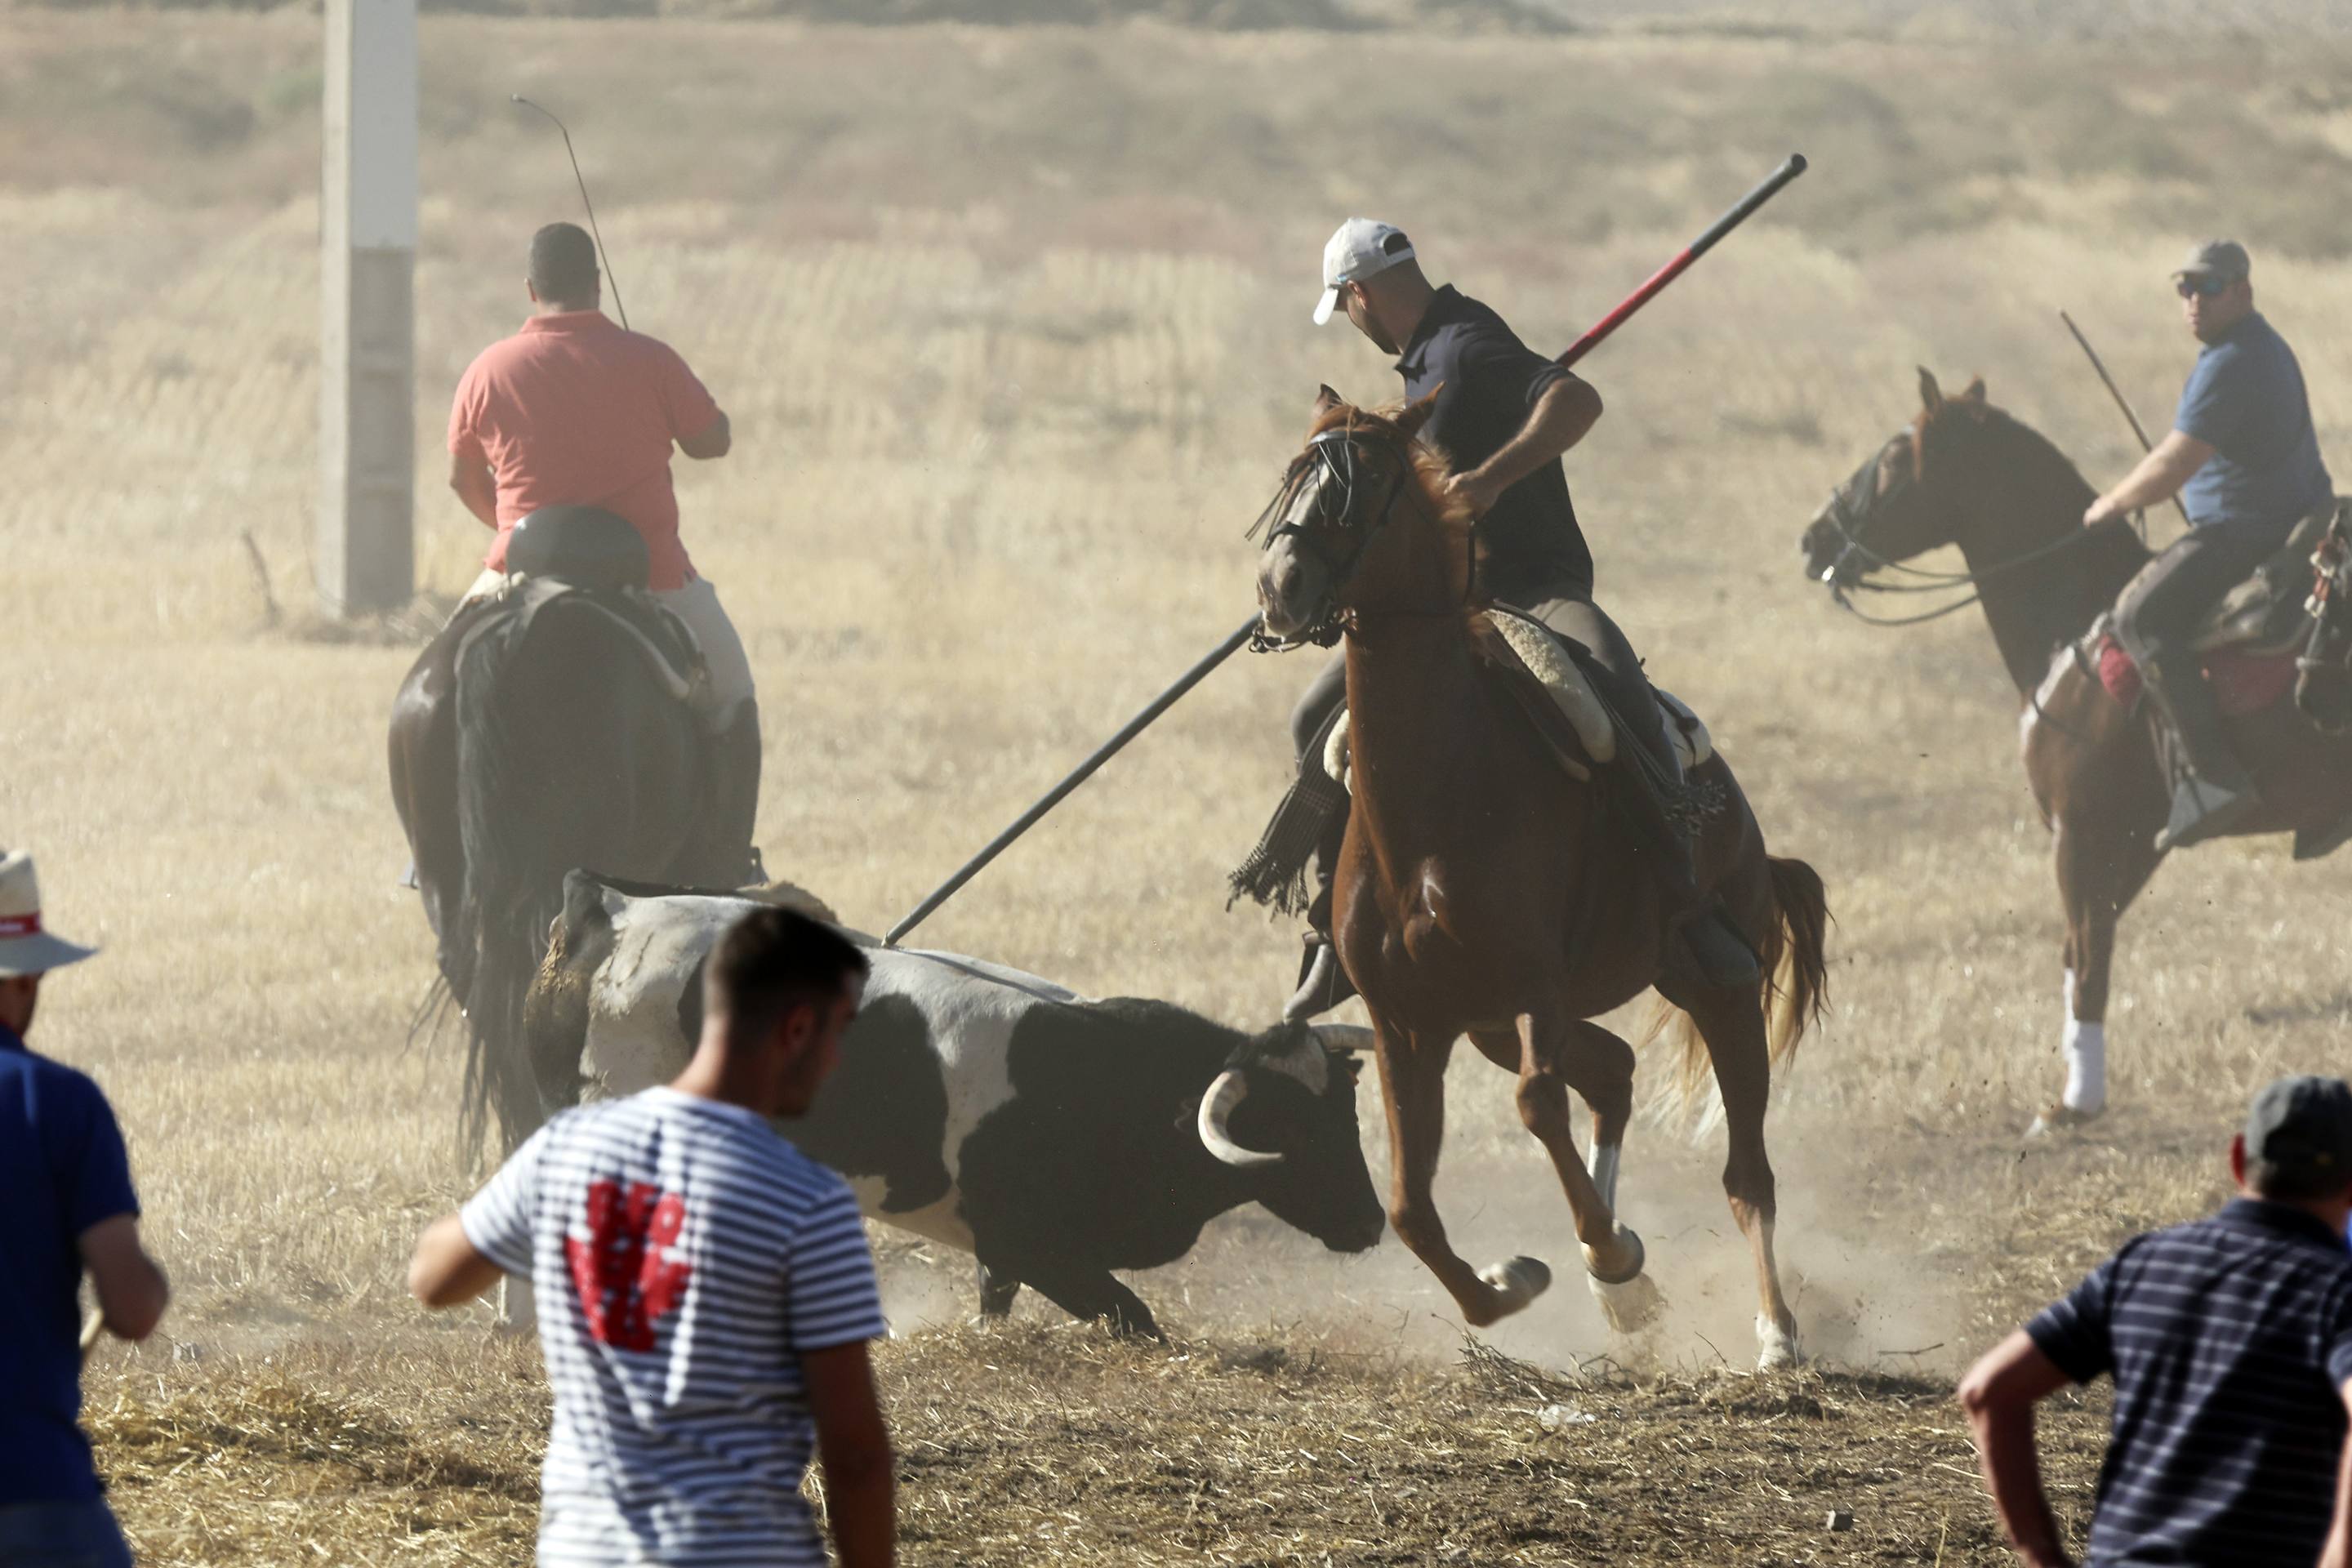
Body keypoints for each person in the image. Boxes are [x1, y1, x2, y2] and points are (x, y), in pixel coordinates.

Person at [1279, 217, 1758, 1021]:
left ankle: (1683, 907)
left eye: (1346, 309)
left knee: (1615, 704)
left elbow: (1577, 399)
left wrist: (1493, 480)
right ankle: (1333, 934)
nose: (1352, 323)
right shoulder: (1421, 360)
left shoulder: (1466, 346)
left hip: (1537, 589)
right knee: (1315, 719)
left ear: (1357, 295)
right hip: (1447, 603)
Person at [408, 905, 895, 1568]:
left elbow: (436, 1281)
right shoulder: (806, 1202)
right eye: (839, 1034)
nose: (837, 1060)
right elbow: (856, 1454)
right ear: (798, 1029)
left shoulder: (569, 1150)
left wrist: (521, 1207)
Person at [448, 220, 762, 885]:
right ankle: (731, 860)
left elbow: (463, 480)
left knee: (445, 688)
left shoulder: (487, 368)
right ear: (596, 284)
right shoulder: (650, 358)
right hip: (649, 576)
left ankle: (438, 852)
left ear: (531, 289)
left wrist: (504, 529)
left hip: (518, 570)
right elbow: (712, 443)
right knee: (734, 698)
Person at [1959, 1074, 2352, 1568]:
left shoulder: (2144, 1264)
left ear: (2236, 1160)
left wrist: (2041, 1554)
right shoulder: (2337, 1292)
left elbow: (1988, 1388)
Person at [2085, 239, 2336, 852]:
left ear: (2243, 291)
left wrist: (2111, 504)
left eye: (2209, 287)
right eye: (2185, 289)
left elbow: (2174, 462)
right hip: (2287, 519)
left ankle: (2214, 777)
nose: (2194, 300)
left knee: (2139, 617)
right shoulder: (2253, 348)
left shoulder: (2234, 361)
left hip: (2248, 532)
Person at [0, 849, 171, 1568]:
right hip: (34, 1491)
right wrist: (154, 1281)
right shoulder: (62, 1105)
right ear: (26, 976)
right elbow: (130, 1308)